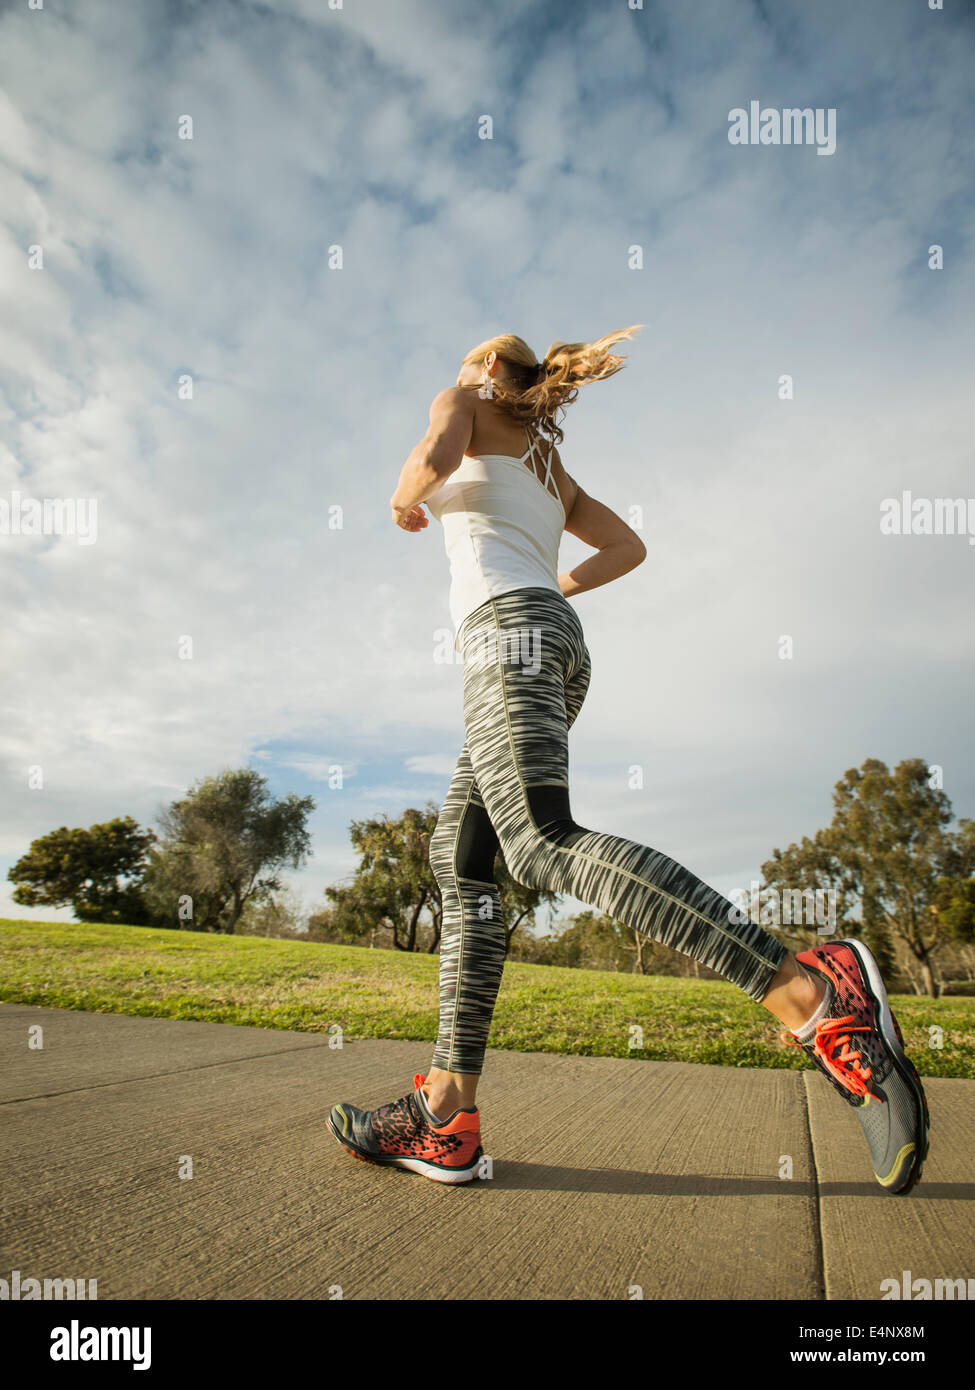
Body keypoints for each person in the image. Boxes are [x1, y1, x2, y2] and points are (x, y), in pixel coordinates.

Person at [327, 328, 930, 1193]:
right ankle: (445, 1116)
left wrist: (400, 497)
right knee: (461, 861)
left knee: (536, 842)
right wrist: (552, 592)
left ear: (489, 369)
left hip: (508, 638)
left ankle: (811, 992)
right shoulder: (546, 465)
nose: (460, 371)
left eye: (470, 360)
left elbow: (430, 454)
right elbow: (625, 549)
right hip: (548, 639)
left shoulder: (460, 401)